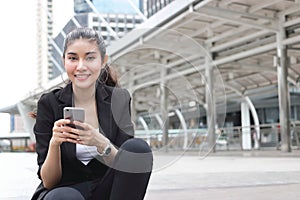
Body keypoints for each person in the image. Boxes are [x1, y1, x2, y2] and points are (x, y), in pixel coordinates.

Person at [31, 27, 153, 200]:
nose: (81, 66)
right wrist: (55, 144)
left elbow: (128, 166)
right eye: (73, 58)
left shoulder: (118, 99)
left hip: (107, 190)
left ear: (103, 61)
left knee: (138, 149)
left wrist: (101, 144)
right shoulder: (49, 103)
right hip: (63, 192)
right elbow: (49, 182)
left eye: (90, 58)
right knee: (65, 197)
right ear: (64, 61)